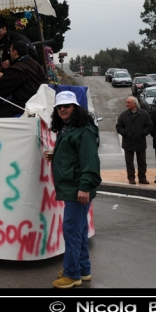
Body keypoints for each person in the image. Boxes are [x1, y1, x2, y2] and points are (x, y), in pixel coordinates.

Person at [46, 90, 102, 288]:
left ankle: (72, 274)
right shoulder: (70, 127)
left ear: (75, 108)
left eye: (66, 106)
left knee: (71, 231)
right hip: (74, 187)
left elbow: (90, 162)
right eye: (59, 107)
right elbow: (75, 156)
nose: (62, 109)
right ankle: (83, 269)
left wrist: (84, 187)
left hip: (77, 189)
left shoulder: (83, 130)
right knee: (79, 229)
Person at [0, 39, 48, 118]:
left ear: (15, 52)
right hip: (40, 102)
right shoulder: (34, 64)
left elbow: (1, 86)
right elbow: (15, 80)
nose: (10, 54)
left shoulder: (18, 68)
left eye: (10, 51)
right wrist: (3, 76)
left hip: (26, 105)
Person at [116, 96, 154, 185]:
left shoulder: (144, 114)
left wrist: (143, 133)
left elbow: (150, 126)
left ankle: (142, 178)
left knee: (142, 162)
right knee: (129, 162)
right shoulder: (123, 115)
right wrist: (125, 133)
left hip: (140, 141)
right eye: (126, 102)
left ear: (135, 104)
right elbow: (118, 126)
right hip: (128, 142)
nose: (127, 104)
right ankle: (131, 178)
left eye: (129, 103)